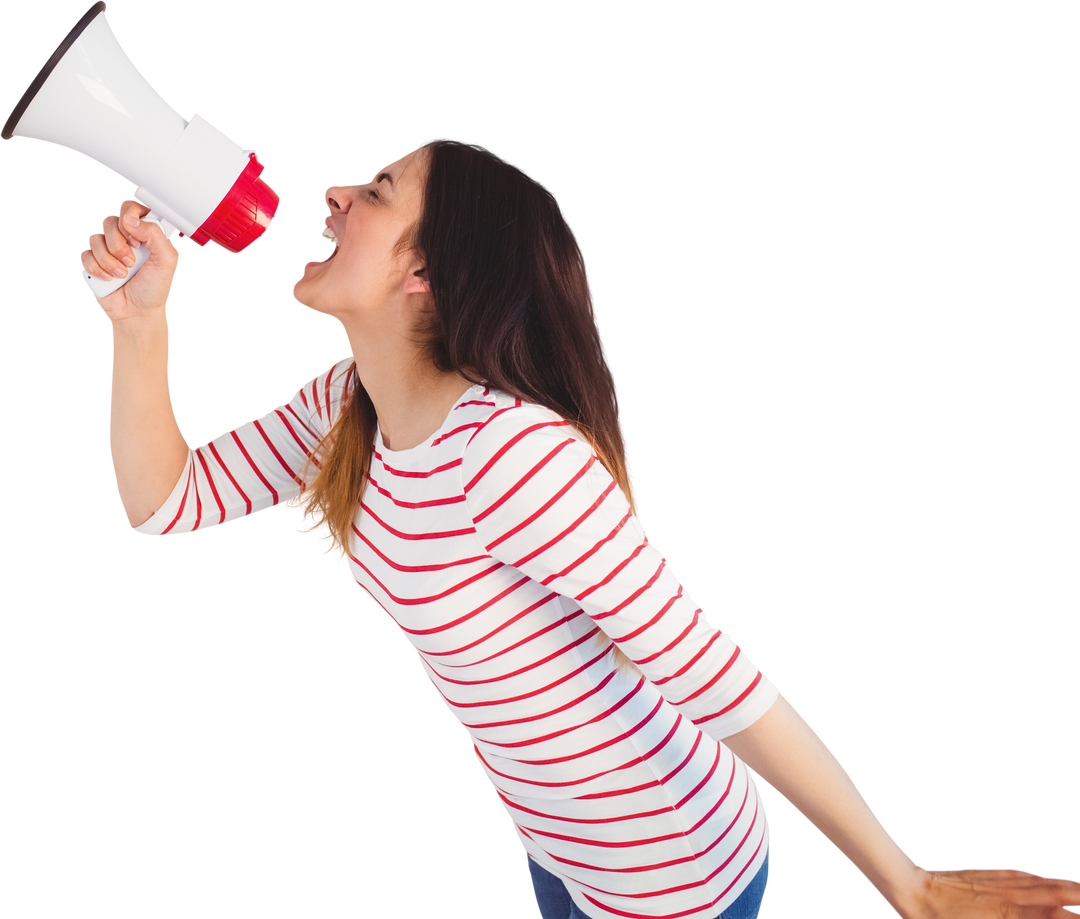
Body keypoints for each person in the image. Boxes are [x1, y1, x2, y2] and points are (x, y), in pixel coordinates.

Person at [81, 135, 1079, 919]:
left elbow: (707, 667)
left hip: (673, 871)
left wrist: (905, 881)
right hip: (554, 846)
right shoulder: (351, 402)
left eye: (377, 190)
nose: (335, 191)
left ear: (429, 270)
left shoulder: (511, 452)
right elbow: (164, 503)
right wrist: (139, 322)